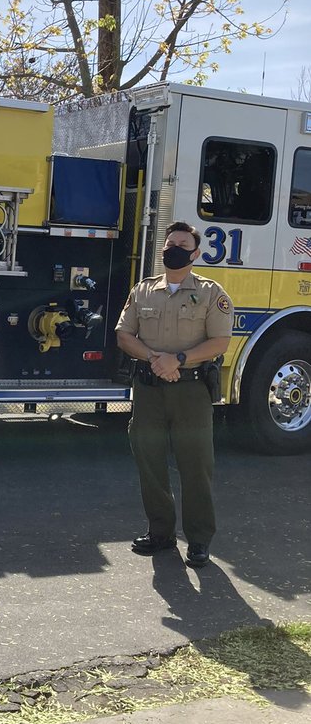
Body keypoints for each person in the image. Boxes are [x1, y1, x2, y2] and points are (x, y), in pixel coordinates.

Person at [116, 221, 234, 568]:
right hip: (150, 389)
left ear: (195, 253)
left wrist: (178, 360)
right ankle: (161, 533)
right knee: (149, 462)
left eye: (182, 244)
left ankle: (198, 540)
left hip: (191, 390)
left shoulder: (212, 293)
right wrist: (156, 360)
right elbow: (124, 334)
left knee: (195, 465)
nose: (173, 249)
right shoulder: (143, 290)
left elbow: (219, 342)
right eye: (170, 244)